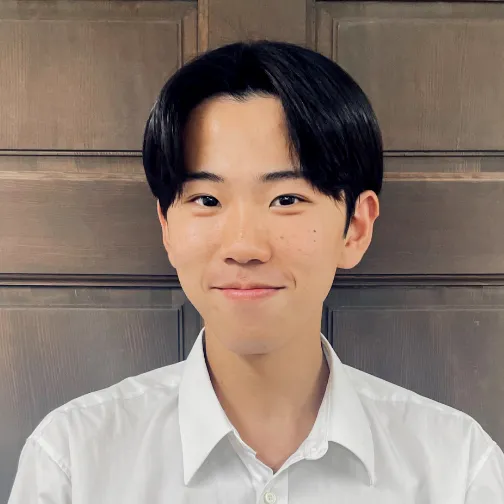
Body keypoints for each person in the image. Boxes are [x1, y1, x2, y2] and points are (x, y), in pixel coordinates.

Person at [9, 40, 504, 503]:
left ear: (355, 227)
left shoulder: (456, 467)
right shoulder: (74, 460)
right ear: (167, 227)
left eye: (286, 199)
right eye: (207, 199)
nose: (244, 247)